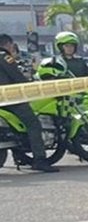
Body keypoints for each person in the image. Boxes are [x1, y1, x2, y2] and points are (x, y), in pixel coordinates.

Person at [0, 34, 58, 173]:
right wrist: (30, 86)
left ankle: (20, 156)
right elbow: (16, 76)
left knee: (14, 128)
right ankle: (40, 160)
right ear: (8, 44)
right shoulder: (5, 56)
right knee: (33, 124)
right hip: (10, 99)